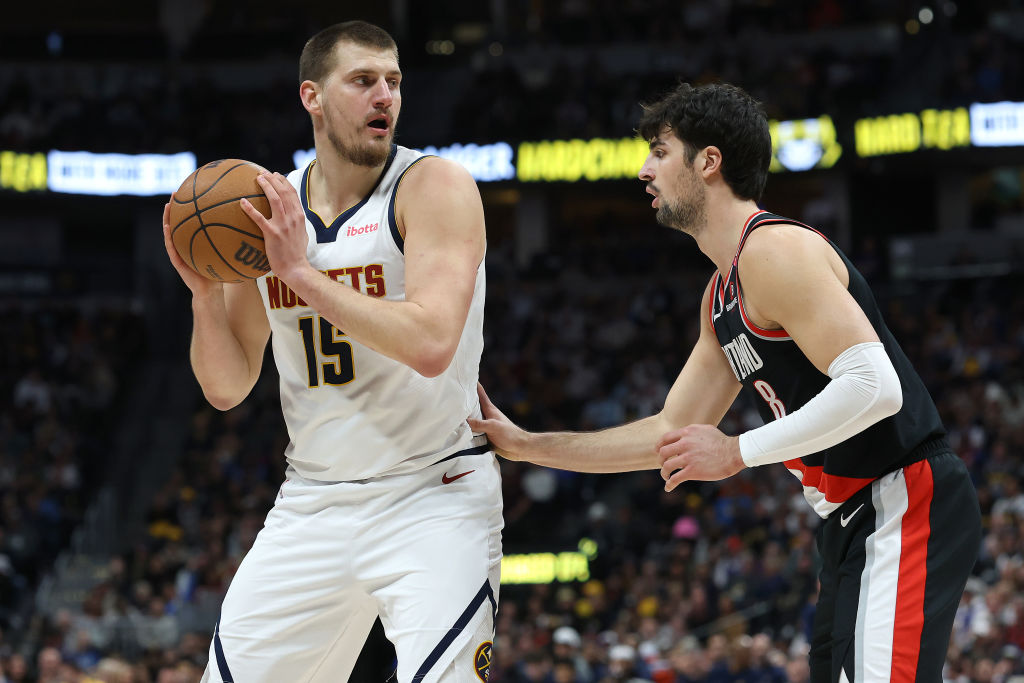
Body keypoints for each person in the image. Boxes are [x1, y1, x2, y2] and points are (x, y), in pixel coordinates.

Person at [470, 82, 981, 683]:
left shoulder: (774, 248)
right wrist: (529, 445)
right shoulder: (721, 294)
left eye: (660, 151)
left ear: (708, 161)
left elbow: (875, 386)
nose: (644, 170)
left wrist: (737, 451)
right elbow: (669, 431)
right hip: (850, 518)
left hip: (903, 494)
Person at [161, 20, 502, 683]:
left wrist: (300, 274)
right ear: (311, 96)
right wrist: (205, 295)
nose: (385, 96)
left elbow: (432, 343)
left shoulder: (433, 187)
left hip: (431, 491)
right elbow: (227, 387)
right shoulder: (265, 210)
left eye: (393, 81)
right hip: (314, 498)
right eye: (363, 80)